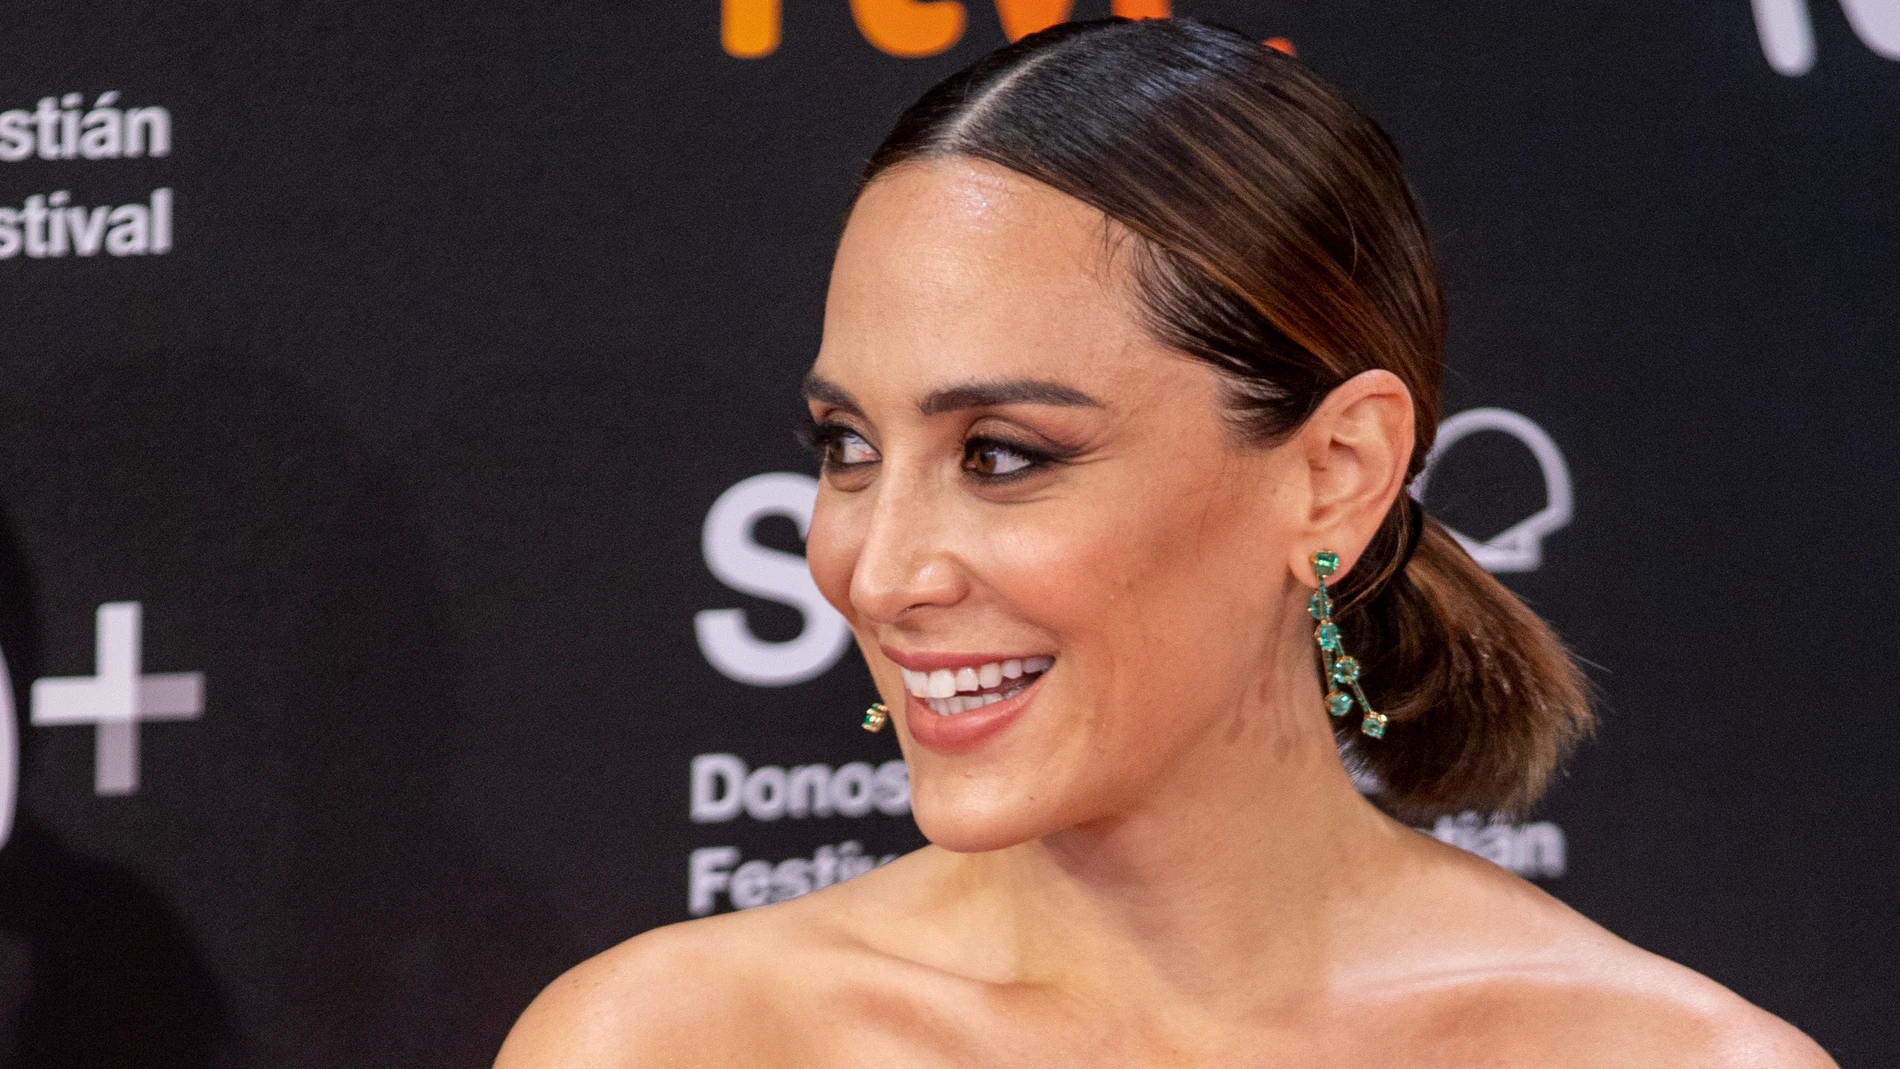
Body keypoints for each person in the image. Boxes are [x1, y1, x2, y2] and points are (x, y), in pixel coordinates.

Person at [496, 18, 1835, 1067]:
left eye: (1002, 455)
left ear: (1334, 474)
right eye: (847, 447)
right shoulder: (667, 1045)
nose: (881, 573)